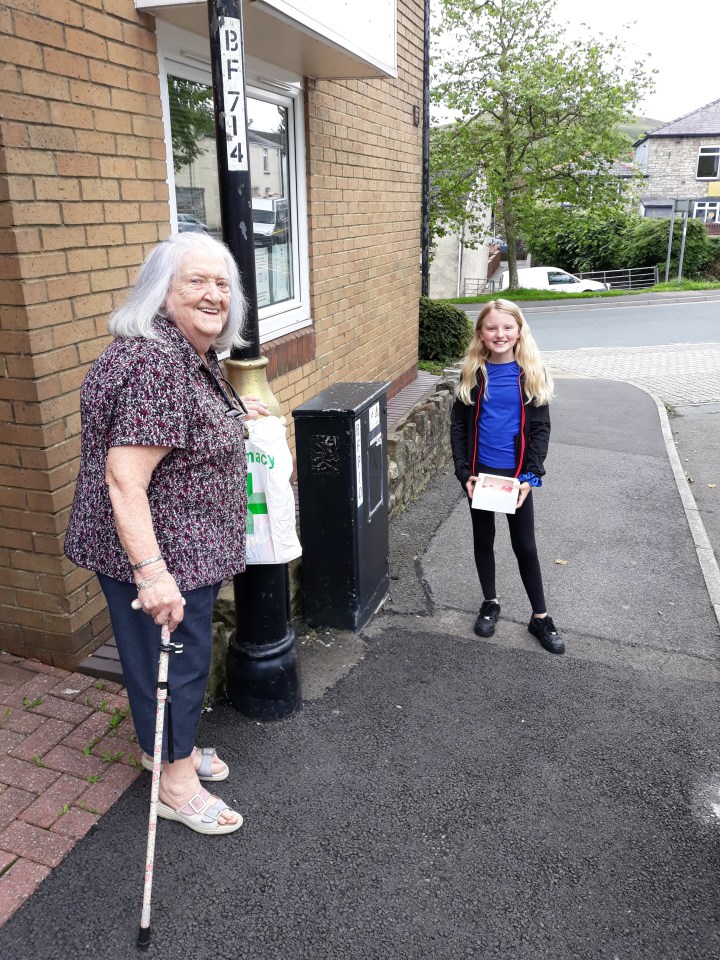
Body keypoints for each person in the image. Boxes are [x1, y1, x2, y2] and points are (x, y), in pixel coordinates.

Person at [65, 232, 270, 834]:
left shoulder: (183, 353)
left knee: (171, 661)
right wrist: (152, 575)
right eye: (196, 282)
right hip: (160, 556)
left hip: (181, 549)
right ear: (162, 292)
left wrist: (234, 416)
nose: (214, 295)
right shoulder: (157, 364)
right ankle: (174, 784)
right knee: (172, 664)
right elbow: (125, 479)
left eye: (223, 284)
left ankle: (167, 751)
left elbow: (179, 428)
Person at [450, 299, 564, 654]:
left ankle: (540, 617)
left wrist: (532, 477)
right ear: (481, 334)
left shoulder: (530, 374)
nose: (500, 334)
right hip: (480, 476)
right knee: (483, 539)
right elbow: (458, 427)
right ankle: (491, 602)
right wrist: (464, 474)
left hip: (516, 477)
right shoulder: (474, 374)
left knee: (525, 547)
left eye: (507, 327)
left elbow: (541, 429)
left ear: (518, 331)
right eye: (491, 328)